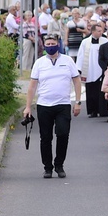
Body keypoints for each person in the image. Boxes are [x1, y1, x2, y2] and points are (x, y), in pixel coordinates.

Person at [23, 34, 83, 178]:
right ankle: (48, 167)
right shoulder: (39, 63)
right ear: (44, 46)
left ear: (58, 44)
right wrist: (28, 107)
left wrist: (78, 102)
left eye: (53, 43)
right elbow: (32, 86)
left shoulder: (68, 61)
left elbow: (76, 81)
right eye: (48, 44)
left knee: (63, 134)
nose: (50, 46)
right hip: (44, 105)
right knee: (45, 137)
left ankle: (59, 164)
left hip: (63, 104)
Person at [75, 23, 108, 117]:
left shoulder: (105, 41)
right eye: (99, 31)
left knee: (100, 90)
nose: (101, 32)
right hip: (89, 69)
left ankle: (101, 110)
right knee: (90, 90)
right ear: (93, 31)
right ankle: (92, 111)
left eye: (101, 31)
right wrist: (79, 69)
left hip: (100, 68)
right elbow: (81, 55)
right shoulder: (85, 42)